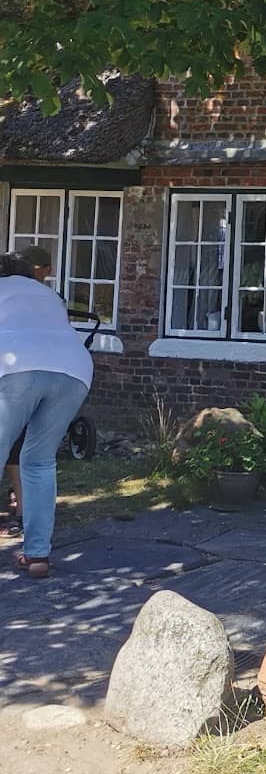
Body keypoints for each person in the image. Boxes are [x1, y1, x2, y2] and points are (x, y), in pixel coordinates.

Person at [0, 247, 91, 578]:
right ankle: (37, 555)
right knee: (39, 461)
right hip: (73, 370)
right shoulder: (48, 295)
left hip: (15, 369)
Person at [4, 246, 54, 540]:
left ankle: (23, 509)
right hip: (36, 373)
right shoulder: (42, 298)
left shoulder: (36, 298)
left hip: (22, 375)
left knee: (20, 449)